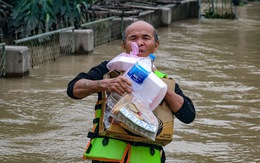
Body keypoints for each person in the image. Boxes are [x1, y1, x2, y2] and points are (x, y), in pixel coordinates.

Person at [67, 20, 196, 163]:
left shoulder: (165, 82)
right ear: (124, 46)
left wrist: (161, 89)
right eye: (133, 38)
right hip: (108, 156)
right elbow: (73, 89)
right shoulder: (110, 70)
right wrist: (104, 84)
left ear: (156, 45)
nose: (139, 42)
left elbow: (189, 115)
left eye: (146, 38)